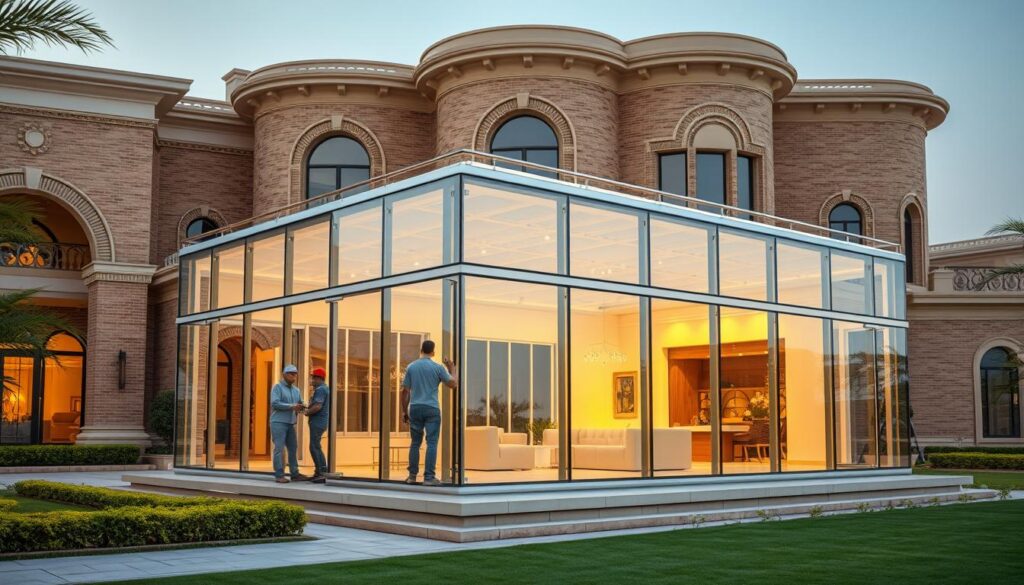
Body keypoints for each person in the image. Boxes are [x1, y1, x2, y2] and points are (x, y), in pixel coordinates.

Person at [400, 339, 458, 486]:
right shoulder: (438, 368)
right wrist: (452, 367)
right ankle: (429, 477)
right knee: (431, 443)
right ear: (433, 352)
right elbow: (453, 384)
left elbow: (405, 392)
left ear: (421, 350)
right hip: (432, 408)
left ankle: (412, 476)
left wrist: (404, 412)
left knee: (415, 443)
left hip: (415, 407)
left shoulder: (411, 367)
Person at [270, 364, 311, 484]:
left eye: (295, 374)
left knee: (293, 448)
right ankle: (279, 475)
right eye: (291, 374)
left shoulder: (296, 390)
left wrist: (304, 405)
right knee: (279, 449)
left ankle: (295, 474)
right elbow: (275, 403)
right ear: (284, 374)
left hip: (290, 423)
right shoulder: (277, 387)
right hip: (278, 422)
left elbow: (300, 402)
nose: (294, 376)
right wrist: (292, 406)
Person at [304, 367, 331, 483]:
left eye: (314, 378)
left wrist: (306, 412)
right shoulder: (324, 389)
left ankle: (321, 472)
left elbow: (317, 406)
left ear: (320, 378)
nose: (312, 380)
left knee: (314, 447)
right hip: (320, 422)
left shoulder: (320, 389)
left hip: (318, 422)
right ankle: (320, 471)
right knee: (316, 446)